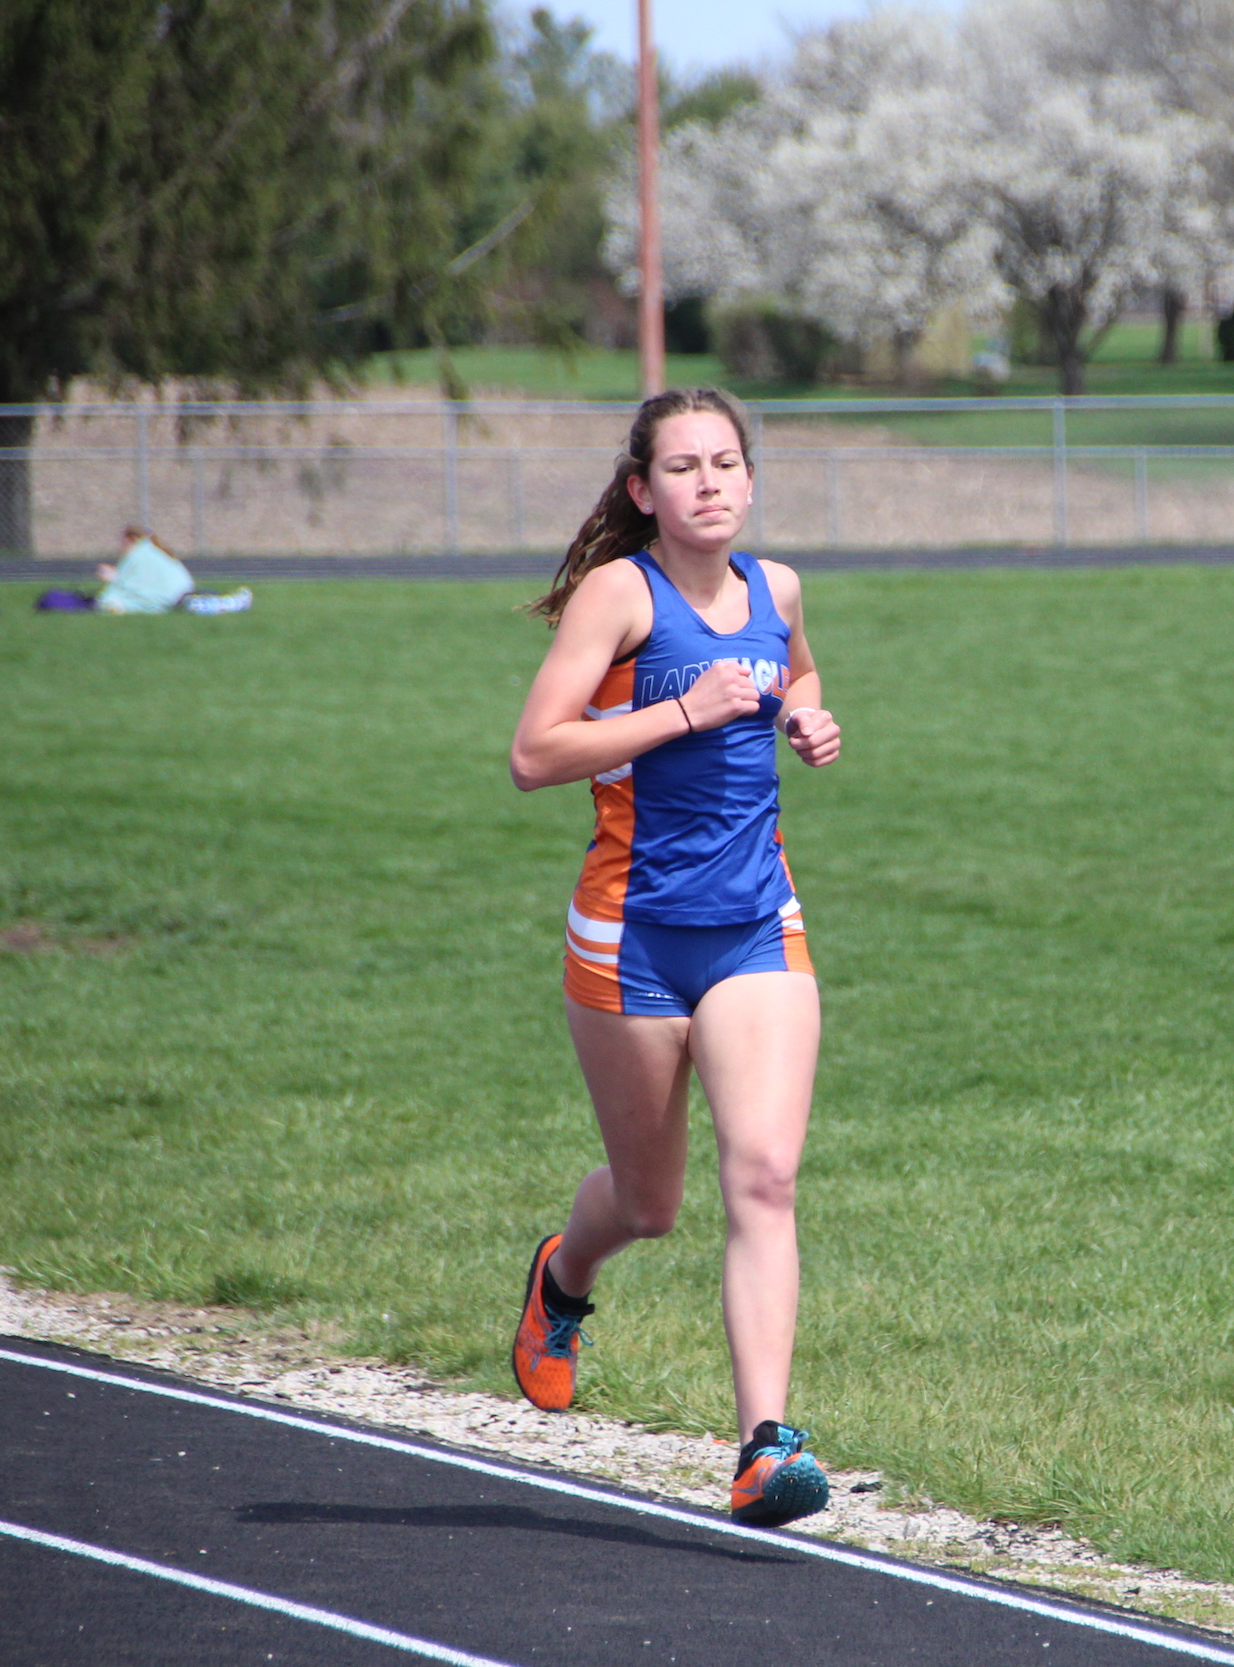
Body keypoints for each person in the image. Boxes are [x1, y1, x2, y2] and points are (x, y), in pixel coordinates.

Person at [506, 387, 844, 1529]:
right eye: (684, 467)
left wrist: (804, 716)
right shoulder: (619, 594)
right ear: (643, 490)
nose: (709, 483)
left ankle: (765, 1445)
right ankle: (563, 1275)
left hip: (757, 925)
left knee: (765, 1175)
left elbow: (795, 670)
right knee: (650, 1204)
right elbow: (535, 753)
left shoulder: (776, 588)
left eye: (726, 463)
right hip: (631, 935)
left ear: (750, 479)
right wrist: (687, 711)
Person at [93, 526, 196, 614]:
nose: (121, 548)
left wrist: (112, 578)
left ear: (130, 540)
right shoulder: (157, 552)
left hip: (168, 598)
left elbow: (128, 583)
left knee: (113, 600)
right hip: (184, 591)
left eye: (123, 543)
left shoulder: (137, 554)